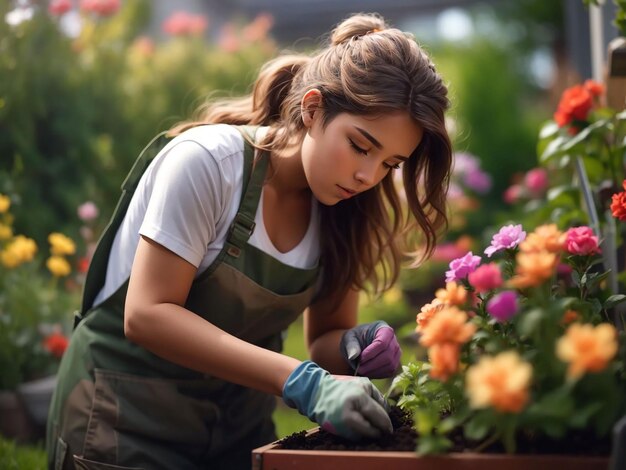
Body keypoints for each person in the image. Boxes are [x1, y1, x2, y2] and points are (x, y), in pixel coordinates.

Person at [46, 12, 451, 470]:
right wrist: (301, 381)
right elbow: (147, 315)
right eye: (360, 146)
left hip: (236, 432)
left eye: (389, 164)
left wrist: (354, 345)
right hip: (123, 421)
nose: (367, 176)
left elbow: (322, 341)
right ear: (313, 109)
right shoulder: (207, 165)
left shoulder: (346, 209)